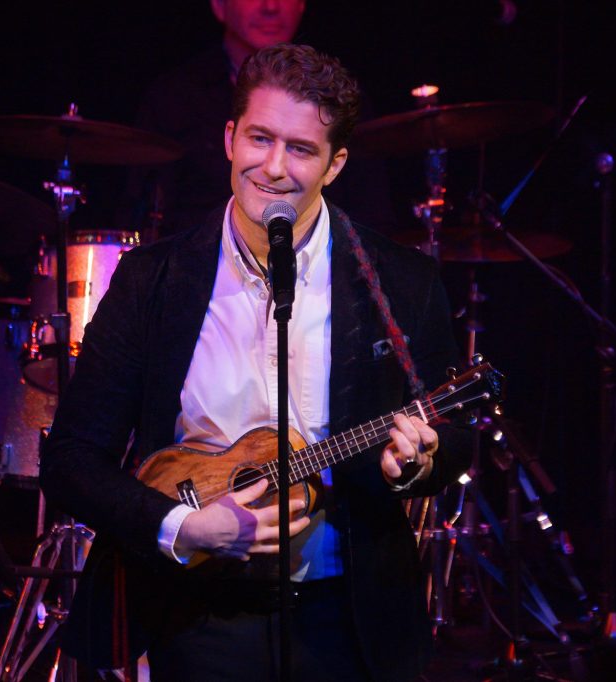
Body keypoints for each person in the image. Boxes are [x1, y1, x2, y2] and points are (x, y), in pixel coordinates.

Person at [41, 44, 472, 682]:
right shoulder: (152, 280)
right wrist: (179, 526)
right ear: (228, 138)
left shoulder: (402, 282)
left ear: (335, 164)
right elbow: (72, 458)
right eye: (260, 138)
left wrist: (418, 463)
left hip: (348, 616)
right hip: (197, 613)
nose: (274, 167)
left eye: (301, 148)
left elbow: (452, 441)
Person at [126, 0, 396, 238]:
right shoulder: (174, 96)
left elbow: (373, 213)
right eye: (260, 138)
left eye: (300, 148)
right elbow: (138, 213)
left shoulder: (339, 100)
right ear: (220, 6)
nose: (270, 6)